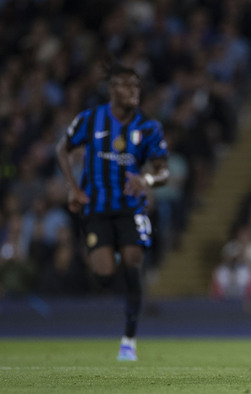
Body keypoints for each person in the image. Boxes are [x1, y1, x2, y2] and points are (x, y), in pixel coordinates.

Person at [56, 64, 169, 361]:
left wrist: (145, 180)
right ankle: (111, 256)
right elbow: (62, 148)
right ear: (112, 89)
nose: (133, 91)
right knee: (104, 275)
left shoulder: (148, 127)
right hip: (96, 207)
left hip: (131, 208)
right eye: (126, 85)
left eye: (136, 86)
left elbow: (163, 172)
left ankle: (129, 340)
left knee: (133, 261)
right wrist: (72, 187)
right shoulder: (90, 120)